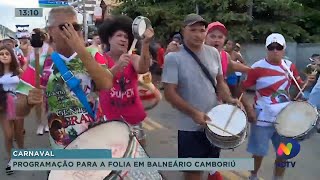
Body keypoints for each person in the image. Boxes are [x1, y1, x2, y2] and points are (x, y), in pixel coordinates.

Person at [16, 6, 113, 151]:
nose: (71, 31)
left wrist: (80, 49)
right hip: (62, 145)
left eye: (75, 26)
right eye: (64, 27)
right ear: (50, 32)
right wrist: (29, 102)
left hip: (95, 138)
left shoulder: (92, 53)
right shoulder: (39, 62)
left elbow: (107, 83)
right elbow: (19, 110)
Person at [162, 14, 244, 180]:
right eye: (193, 30)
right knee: (193, 173)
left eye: (202, 30)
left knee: (210, 166)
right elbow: (169, 93)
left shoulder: (214, 53)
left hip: (214, 124)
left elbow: (220, 82)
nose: (198, 34)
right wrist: (193, 113)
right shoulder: (173, 57)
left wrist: (229, 99)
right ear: (183, 31)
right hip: (190, 127)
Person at [239, 33, 315, 180]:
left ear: (284, 49)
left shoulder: (290, 66)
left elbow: (299, 87)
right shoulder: (256, 67)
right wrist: (248, 110)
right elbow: (241, 89)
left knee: (284, 153)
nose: (275, 50)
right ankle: (253, 176)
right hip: (262, 118)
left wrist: (308, 83)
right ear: (266, 49)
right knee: (258, 153)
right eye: (271, 47)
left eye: (278, 47)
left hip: (285, 119)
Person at [98, 15, 154, 147]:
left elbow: (143, 68)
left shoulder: (133, 58)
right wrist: (117, 67)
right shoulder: (101, 59)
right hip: (109, 120)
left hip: (133, 119)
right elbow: (99, 82)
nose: (123, 39)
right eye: (119, 35)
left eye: (127, 37)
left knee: (138, 156)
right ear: (109, 38)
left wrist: (145, 44)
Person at [0, 45, 24, 175]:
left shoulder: (18, 71)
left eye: (6, 54)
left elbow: (26, 87)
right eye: (1, 54)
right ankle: (11, 159)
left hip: (18, 106)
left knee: (19, 133)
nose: (4, 56)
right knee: (8, 135)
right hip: (3, 107)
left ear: (11, 56)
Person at [28, 28, 54, 135]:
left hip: (46, 80)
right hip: (33, 80)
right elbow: (28, 65)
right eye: (32, 35)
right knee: (38, 103)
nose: (33, 37)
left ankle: (47, 123)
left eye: (35, 35)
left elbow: (50, 65)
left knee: (47, 103)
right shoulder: (30, 49)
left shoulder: (48, 49)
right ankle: (39, 124)